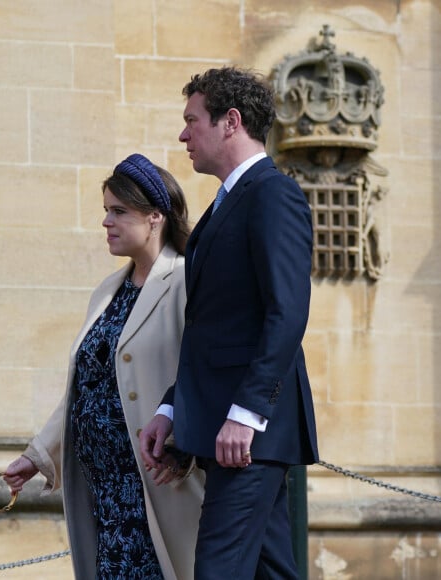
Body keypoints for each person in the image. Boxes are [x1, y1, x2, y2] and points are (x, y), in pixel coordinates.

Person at [139, 67, 319, 579]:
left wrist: (247, 413)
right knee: (272, 571)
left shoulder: (271, 194)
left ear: (230, 122)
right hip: (225, 426)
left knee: (218, 570)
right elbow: (212, 329)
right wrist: (174, 406)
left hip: (249, 432)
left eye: (191, 120)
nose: (183, 134)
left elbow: (287, 312)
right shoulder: (226, 204)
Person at [4, 153, 204, 580]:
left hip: (156, 481)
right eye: (105, 211)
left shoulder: (186, 279)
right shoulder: (107, 291)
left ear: (155, 217)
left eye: (119, 211)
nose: (106, 222)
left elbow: (203, 371)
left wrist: (183, 441)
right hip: (104, 489)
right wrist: (37, 456)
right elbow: (86, 388)